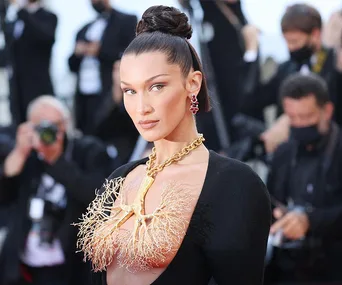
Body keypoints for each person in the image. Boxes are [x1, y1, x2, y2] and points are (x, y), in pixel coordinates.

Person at [75, 5, 271, 285]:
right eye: (129, 90)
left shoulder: (235, 184)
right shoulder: (119, 179)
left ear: (192, 83)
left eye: (157, 87)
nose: (141, 107)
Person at [0, 96, 120, 285]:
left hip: (71, 270)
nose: (46, 134)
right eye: (39, 127)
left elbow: (100, 197)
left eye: (53, 126)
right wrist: (18, 154)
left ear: (65, 125)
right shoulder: (27, 155)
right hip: (22, 269)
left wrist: (56, 161)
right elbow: (4, 198)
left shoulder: (89, 151)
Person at [265, 73, 342, 284]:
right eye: (293, 118)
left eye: (307, 117)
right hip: (288, 268)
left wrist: (310, 220)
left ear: (327, 111)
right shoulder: (283, 154)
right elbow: (270, 198)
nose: (299, 124)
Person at [243, 4, 342, 153]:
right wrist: (251, 53)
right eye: (287, 42)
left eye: (295, 42)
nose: (290, 48)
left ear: (315, 34)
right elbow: (251, 100)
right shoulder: (285, 69)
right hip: (291, 158)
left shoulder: (334, 64)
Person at [68, 0, 137, 135]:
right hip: (84, 99)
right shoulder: (83, 29)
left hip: (110, 96)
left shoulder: (126, 21)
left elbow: (131, 54)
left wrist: (99, 51)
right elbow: (71, 66)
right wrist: (78, 53)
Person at [4, 0, 57, 125]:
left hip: (38, 88)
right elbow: (8, 53)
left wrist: (21, 10)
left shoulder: (48, 17)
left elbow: (45, 37)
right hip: (17, 91)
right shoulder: (15, 22)